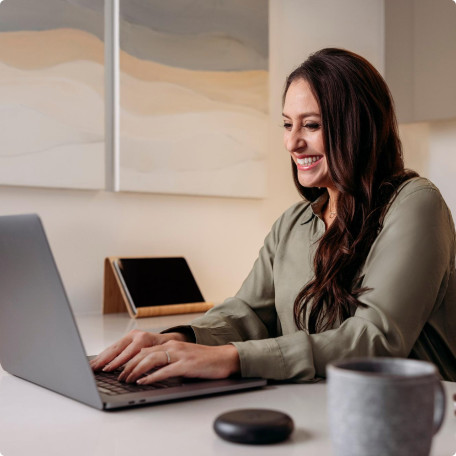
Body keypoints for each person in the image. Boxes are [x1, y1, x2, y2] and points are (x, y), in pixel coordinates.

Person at [91, 48, 456, 384]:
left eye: (311, 125)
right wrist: (178, 338)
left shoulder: (416, 204)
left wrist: (232, 358)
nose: (292, 142)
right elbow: (249, 313)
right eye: (287, 124)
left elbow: (374, 339)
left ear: (357, 127)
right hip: (315, 406)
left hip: (416, 425)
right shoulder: (292, 224)